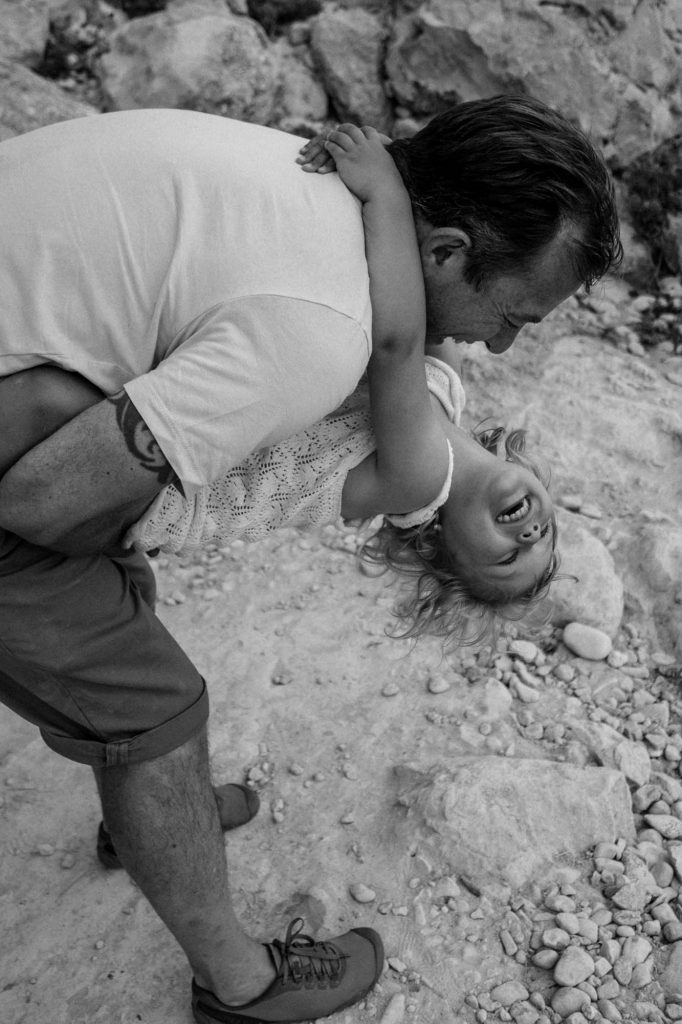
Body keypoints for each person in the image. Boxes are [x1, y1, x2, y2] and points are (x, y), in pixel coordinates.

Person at [0, 97, 622, 1023]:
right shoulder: (330, 333)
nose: (497, 342)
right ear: (444, 250)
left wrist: (385, 196)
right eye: (511, 318)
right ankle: (240, 984)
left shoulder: (310, 187)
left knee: (122, 595)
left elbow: (400, 341)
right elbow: (34, 505)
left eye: (509, 559)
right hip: (30, 464)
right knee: (154, 708)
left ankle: (156, 822)